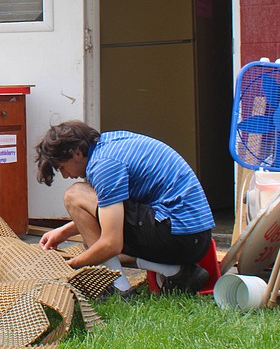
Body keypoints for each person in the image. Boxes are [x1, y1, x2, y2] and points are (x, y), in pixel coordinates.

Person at [34, 120, 214, 295]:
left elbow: (111, 244)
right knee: (98, 248)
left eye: (62, 167)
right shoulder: (111, 144)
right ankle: (177, 272)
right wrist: (64, 232)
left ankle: (118, 288)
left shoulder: (104, 166)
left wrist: (69, 267)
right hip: (193, 236)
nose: (66, 175)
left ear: (76, 154)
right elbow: (112, 211)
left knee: (75, 195)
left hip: (180, 237)